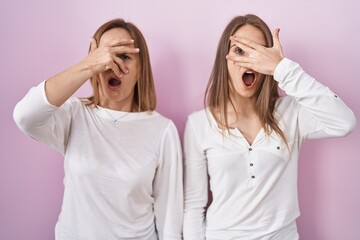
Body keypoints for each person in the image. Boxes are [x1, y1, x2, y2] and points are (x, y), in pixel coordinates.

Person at [183, 14, 356, 240]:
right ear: (223, 60)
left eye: (257, 51)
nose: (248, 61)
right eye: (239, 50)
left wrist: (282, 68)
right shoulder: (199, 124)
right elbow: (194, 206)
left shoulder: (290, 113)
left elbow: (344, 122)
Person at [13, 19, 183, 240]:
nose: (112, 64)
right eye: (105, 54)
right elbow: (25, 116)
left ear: (140, 69)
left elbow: (169, 216)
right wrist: (87, 66)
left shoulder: (162, 130)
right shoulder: (74, 113)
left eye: (124, 56)